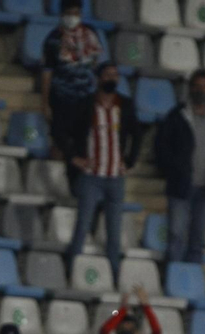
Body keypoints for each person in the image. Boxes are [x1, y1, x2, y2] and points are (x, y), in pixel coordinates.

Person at [65, 62, 143, 284]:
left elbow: (137, 134)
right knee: (82, 227)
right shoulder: (86, 104)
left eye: (115, 75)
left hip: (115, 177)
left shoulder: (125, 105)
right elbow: (67, 132)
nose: (112, 79)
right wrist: (74, 158)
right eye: (108, 75)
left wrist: (130, 161)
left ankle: (114, 277)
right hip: (92, 176)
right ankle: (71, 271)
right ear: (98, 78)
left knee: (114, 233)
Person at [154, 69, 205, 266]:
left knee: (198, 239)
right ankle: (172, 276)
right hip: (181, 186)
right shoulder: (177, 115)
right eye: (197, 87)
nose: (201, 91)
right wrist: (174, 170)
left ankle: (191, 281)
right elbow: (162, 146)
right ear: (190, 89)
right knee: (176, 235)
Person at [40, 1, 104, 163]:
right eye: (70, 13)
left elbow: (96, 64)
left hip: (87, 97)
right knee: (60, 138)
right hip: (62, 97)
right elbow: (47, 73)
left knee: (83, 139)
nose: (73, 17)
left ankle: (79, 171)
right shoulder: (53, 39)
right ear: (62, 15)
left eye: (76, 13)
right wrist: (45, 102)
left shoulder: (91, 33)